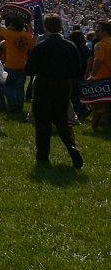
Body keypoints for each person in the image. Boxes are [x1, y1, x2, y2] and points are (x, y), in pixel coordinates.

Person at [25, 14, 84, 168]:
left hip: (43, 85)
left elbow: (30, 69)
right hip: (63, 85)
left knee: (42, 121)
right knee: (62, 119)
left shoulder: (41, 46)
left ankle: (43, 156)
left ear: (46, 27)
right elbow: (77, 69)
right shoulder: (70, 46)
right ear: (60, 27)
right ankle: (71, 147)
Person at [0, 14, 34, 113]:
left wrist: (1, 16)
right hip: (22, 65)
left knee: (3, 85)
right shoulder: (28, 36)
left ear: (13, 26)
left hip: (10, 66)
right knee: (20, 87)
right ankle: (19, 107)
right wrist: (28, 23)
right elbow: (31, 35)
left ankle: (13, 102)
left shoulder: (10, 34)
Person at [86, 20, 111, 129]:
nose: (96, 31)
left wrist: (92, 75)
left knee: (97, 105)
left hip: (102, 78)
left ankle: (94, 127)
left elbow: (98, 61)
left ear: (105, 32)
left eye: (98, 29)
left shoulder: (100, 45)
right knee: (108, 105)